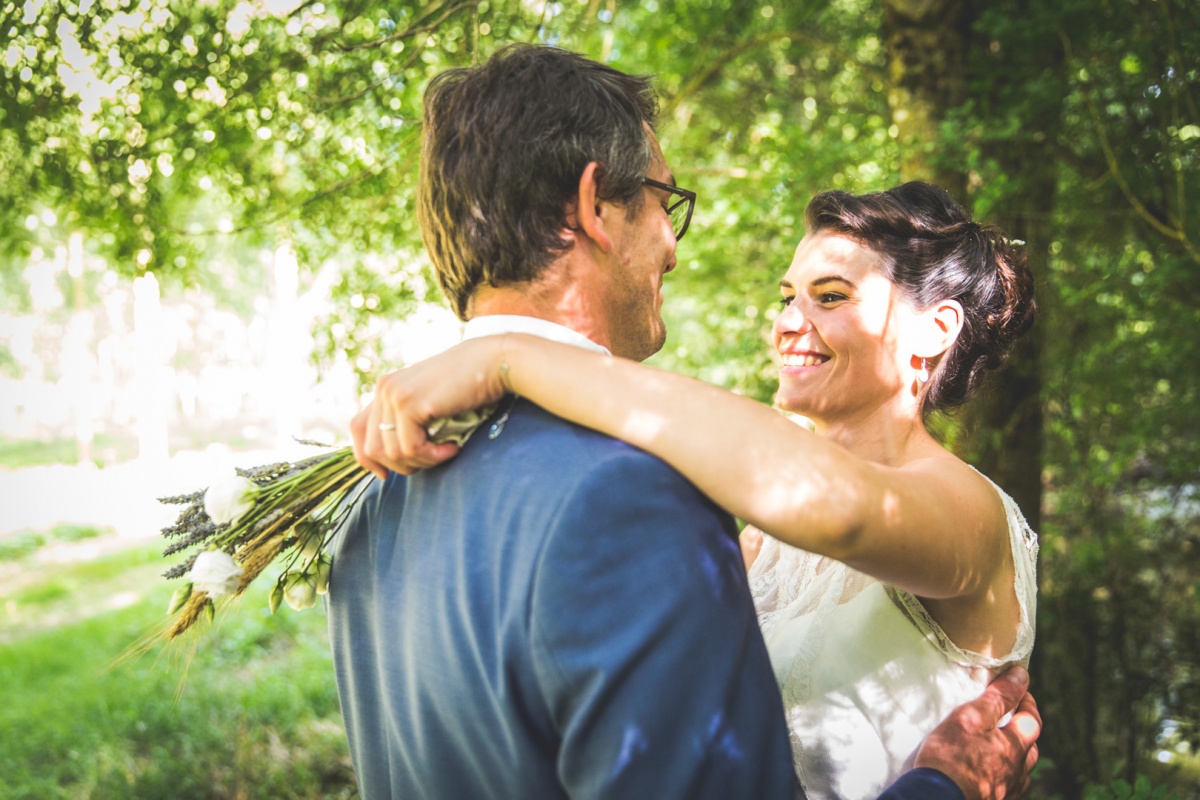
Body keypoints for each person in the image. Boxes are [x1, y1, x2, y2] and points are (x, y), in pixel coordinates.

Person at [333, 43, 1040, 799]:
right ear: (594, 209)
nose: (788, 323)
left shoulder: (371, 501)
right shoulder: (678, 519)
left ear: (936, 330)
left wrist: (509, 355)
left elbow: (842, 510)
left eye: (829, 296)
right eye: (787, 296)